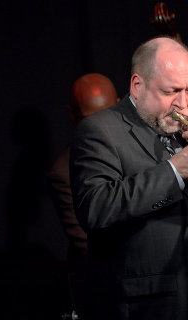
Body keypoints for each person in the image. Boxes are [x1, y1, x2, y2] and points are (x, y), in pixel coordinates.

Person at [70, 36, 188, 320]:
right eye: (171, 91)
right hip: (146, 309)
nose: (183, 104)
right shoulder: (100, 130)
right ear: (137, 86)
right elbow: (96, 208)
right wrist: (174, 171)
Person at [47, 73, 119, 260]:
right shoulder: (62, 173)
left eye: (106, 116)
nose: (100, 129)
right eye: (90, 120)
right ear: (72, 115)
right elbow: (87, 245)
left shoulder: (137, 145)